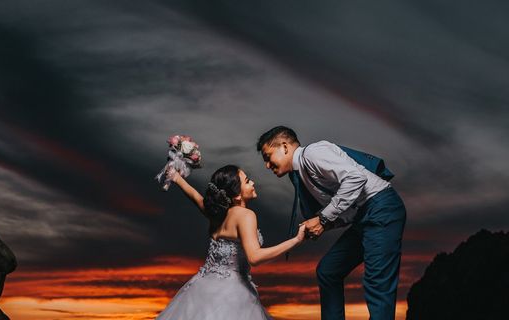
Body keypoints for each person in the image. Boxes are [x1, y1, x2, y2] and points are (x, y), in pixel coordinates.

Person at [257, 126, 406, 320]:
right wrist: (324, 224)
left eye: (268, 157)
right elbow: (347, 206)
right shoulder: (301, 173)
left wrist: (322, 218)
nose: (267, 165)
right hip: (363, 216)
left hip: (382, 208)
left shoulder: (313, 153)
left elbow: (355, 178)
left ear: (284, 147)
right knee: (328, 271)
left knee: (377, 283)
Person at [156, 164, 307, 319]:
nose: (253, 183)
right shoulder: (245, 215)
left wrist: (176, 177)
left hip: (202, 288)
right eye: (247, 181)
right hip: (232, 294)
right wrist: (296, 240)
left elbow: (196, 197)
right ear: (237, 196)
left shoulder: (216, 213)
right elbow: (254, 257)